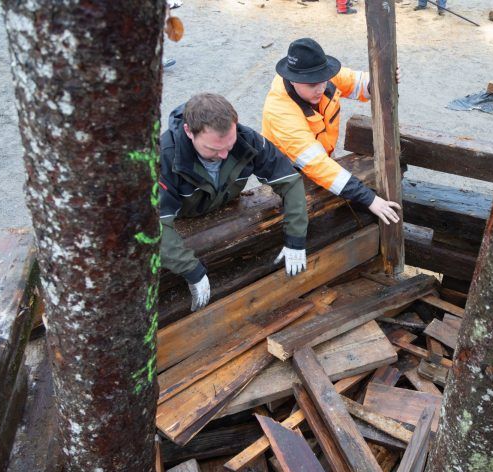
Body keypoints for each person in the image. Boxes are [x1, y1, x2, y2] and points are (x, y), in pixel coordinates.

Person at [160, 93, 309, 312]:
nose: (223, 155)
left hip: (225, 210)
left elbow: (288, 180)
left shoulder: (245, 138)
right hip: (182, 224)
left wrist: (296, 237)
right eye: (212, 149)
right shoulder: (163, 157)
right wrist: (191, 270)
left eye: (228, 146)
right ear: (188, 132)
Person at [262, 38, 401, 226]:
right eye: (312, 85)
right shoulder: (280, 111)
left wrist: (383, 78)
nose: (321, 89)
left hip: (322, 160)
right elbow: (316, 164)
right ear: (293, 80)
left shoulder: (320, 76)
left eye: (323, 81)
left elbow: (358, 82)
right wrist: (369, 198)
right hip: (288, 174)